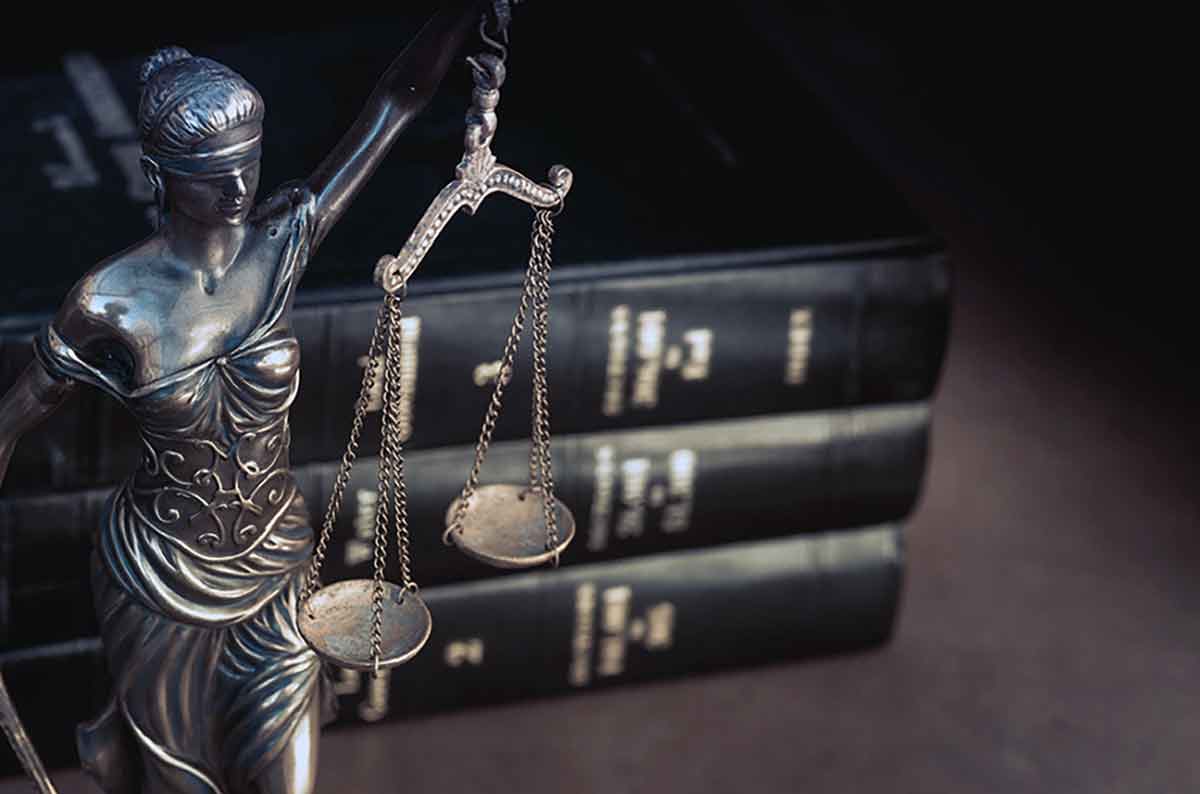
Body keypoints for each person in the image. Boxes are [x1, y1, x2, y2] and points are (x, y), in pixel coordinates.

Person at [0, 3, 485, 792]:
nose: (235, 186)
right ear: (160, 175)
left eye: (247, 164)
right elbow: (11, 419)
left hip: (275, 565)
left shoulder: (281, 243)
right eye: (209, 173)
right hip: (158, 577)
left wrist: (462, 17)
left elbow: (396, 102)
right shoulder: (110, 300)